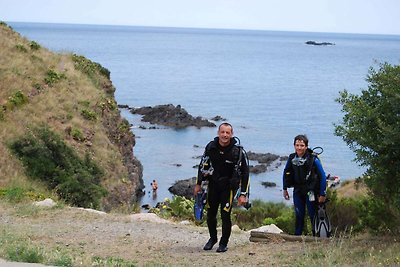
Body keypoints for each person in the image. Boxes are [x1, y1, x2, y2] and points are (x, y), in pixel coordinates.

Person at [194, 122, 249, 253]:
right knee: (211, 215)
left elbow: (246, 173)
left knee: (225, 216)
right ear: (218, 133)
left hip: (228, 188)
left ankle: (223, 243)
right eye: (222, 132)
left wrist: (243, 194)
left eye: (227, 133)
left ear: (232, 134)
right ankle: (213, 239)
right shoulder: (211, 147)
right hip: (213, 185)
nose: (225, 135)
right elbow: (202, 166)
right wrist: (198, 184)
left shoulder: (237, 152)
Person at [282, 134, 327, 236]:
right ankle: (297, 237)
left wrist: (322, 194)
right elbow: (286, 172)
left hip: (310, 191)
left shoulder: (313, 158)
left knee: (312, 214)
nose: (299, 148)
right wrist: (285, 189)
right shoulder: (292, 157)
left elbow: (323, 176)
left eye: (302, 145)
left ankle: (316, 236)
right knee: (299, 214)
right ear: (294, 146)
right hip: (298, 190)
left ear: (306, 146)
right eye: (297, 145)